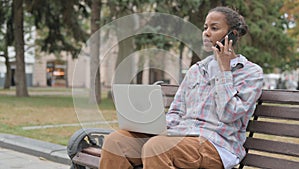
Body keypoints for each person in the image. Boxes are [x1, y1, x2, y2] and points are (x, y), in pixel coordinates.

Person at [99, 6, 264, 169]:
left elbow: (229, 114)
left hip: (217, 145)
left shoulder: (251, 73)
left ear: (232, 35)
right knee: (116, 142)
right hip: (179, 137)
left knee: (157, 147)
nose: (206, 33)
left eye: (214, 28)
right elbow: (176, 112)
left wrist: (224, 70)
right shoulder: (197, 70)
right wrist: (153, 127)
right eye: (205, 28)